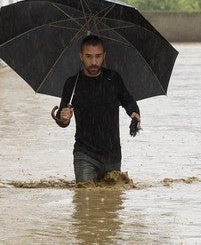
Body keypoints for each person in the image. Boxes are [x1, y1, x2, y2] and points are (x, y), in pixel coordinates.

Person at [51, 35, 141, 184]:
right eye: (88, 56)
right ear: (81, 56)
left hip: (112, 155)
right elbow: (62, 121)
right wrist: (64, 118)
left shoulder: (113, 78)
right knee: (85, 199)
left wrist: (135, 115)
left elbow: (128, 101)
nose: (94, 62)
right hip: (84, 153)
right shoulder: (72, 84)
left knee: (112, 204)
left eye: (98, 56)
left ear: (104, 55)